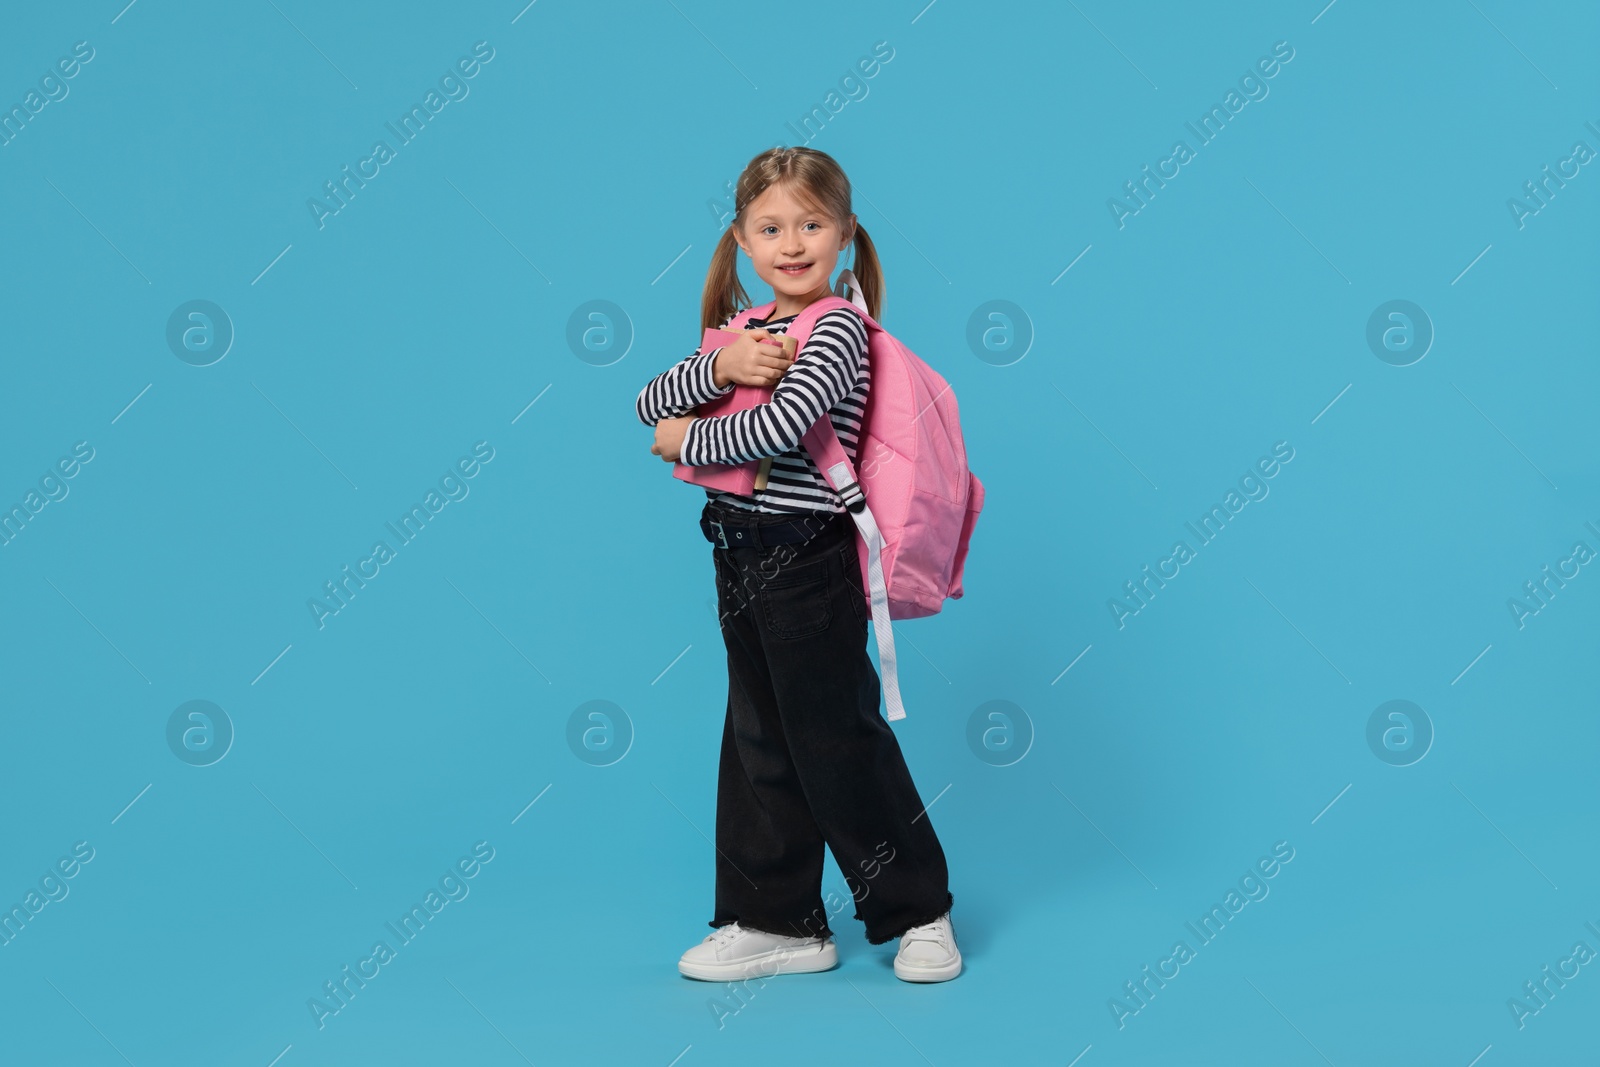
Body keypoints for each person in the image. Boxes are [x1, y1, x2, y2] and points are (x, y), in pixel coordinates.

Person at [635, 146, 960, 984]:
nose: (791, 242)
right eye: (771, 227)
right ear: (742, 241)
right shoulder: (745, 332)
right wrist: (717, 366)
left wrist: (679, 442)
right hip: (735, 551)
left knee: (836, 738)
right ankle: (776, 919)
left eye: (811, 224)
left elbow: (778, 429)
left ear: (845, 235)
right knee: (757, 738)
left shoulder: (840, 328)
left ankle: (918, 909)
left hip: (804, 562)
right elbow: (644, 396)